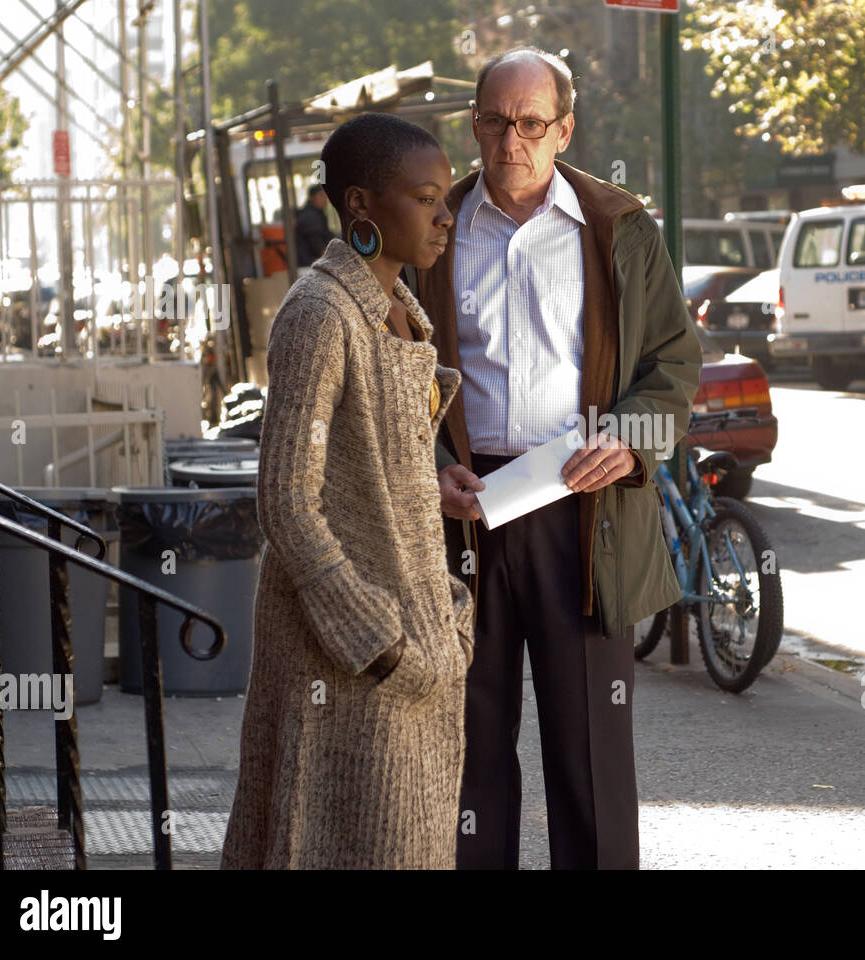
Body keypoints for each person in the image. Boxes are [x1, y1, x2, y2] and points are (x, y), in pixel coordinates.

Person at [413, 47, 701, 870]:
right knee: (467, 748)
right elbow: (393, 369)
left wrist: (633, 441)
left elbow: (674, 365)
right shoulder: (433, 226)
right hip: (464, 516)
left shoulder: (621, 227)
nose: (513, 139)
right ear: (474, 125)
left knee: (590, 758)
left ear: (564, 129)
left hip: (586, 515)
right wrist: (428, 465)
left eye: (531, 122)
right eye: (496, 121)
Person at [221, 113, 472, 869]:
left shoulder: (403, 308)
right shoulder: (321, 311)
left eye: (444, 197)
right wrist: (378, 641)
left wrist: (432, 487)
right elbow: (286, 500)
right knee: (335, 841)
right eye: (425, 198)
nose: (445, 214)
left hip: (419, 647)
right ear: (360, 203)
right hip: (349, 660)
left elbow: (364, 467)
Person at [295, 183, 336, 268]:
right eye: (321, 196)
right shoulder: (309, 217)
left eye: (326, 196)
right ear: (311, 198)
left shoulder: (318, 214)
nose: (325, 199)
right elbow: (318, 247)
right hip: (308, 266)